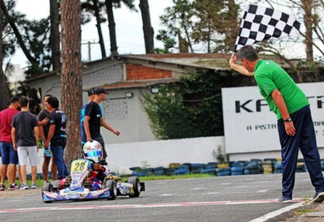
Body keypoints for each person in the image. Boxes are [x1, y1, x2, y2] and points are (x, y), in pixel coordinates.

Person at [229, 45, 324, 202]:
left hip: (290, 112)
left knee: (288, 153)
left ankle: (286, 195)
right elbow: (250, 72)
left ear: (245, 60)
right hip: (303, 105)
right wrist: (233, 65)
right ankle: (321, 188)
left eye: (241, 62)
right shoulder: (268, 64)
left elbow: (276, 94)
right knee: (309, 148)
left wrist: (287, 120)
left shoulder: (260, 73)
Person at [84, 87, 120, 160]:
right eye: (104, 94)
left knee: (103, 155)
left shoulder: (97, 106)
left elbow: (102, 122)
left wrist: (113, 130)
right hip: (93, 136)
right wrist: (88, 136)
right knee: (98, 156)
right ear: (101, 95)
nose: (105, 96)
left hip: (97, 134)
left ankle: (102, 169)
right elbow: (86, 120)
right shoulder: (91, 105)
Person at [11, 96, 40, 190]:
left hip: (21, 143)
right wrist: (36, 142)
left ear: (19, 104)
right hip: (31, 143)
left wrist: (14, 142)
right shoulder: (32, 117)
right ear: (28, 104)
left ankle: (24, 183)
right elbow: (36, 130)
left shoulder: (15, 117)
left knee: (22, 164)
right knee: (33, 163)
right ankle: (34, 183)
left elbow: (13, 131)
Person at [45, 96, 69, 180]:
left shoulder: (52, 114)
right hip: (63, 137)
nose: (46, 106)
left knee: (58, 160)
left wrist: (47, 141)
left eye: (47, 104)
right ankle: (67, 175)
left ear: (50, 105)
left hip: (56, 139)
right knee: (61, 158)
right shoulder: (62, 113)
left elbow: (52, 128)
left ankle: (62, 177)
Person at [0, 96, 20, 191]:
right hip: (13, 141)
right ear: (16, 103)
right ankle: (12, 183)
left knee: (4, 162)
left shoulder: (1, 113)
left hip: (3, 140)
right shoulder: (17, 114)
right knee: (13, 162)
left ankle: (2, 183)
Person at [38, 94, 57, 183]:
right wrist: (44, 140)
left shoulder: (55, 112)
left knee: (55, 160)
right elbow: (39, 127)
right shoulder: (42, 113)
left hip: (56, 139)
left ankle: (54, 179)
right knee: (47, 159)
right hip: (46, 139)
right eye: (46, 100)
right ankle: (45, 179)